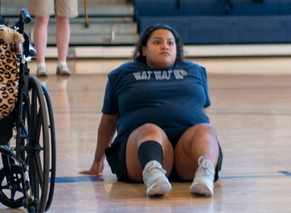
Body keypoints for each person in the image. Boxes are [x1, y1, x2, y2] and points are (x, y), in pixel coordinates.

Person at [81, 24, 222, 198]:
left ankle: (204, 173)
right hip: (137, 151)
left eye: (170, 43)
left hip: (186, 154)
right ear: (144, 50)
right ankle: (153, 174)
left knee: (205, 129)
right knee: (150, 129)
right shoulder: (122, 74)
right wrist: (97, 161)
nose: (165, 46)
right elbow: (109, 120)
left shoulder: (196, 71)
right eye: (157, 42)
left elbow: (203, 113)